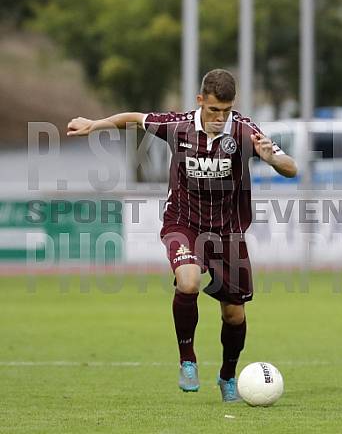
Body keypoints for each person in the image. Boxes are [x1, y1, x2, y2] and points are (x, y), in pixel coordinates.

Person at [67, 69, 297, 402]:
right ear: (200, 100)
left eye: (226, 110)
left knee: (234, 314)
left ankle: (227, 376)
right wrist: (95, 124)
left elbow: (291, 167)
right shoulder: (178, 126)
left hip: (228, 232)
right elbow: (134, 118)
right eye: (213, 109)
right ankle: (187, 359)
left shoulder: (245, 131)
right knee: (188, 282)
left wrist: (272, 158)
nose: (219, 118)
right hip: (183, 223)